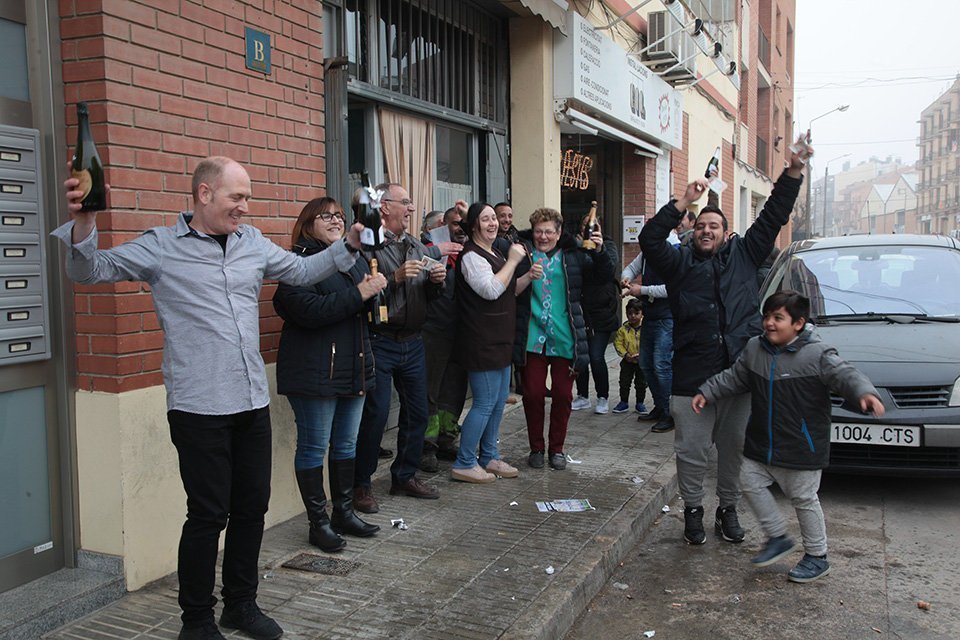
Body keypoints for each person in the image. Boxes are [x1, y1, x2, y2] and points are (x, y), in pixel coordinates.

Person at [52, 156, 364, 640]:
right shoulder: (161, 246)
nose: (245, 206)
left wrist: (347, 244)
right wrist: (85, 221)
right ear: (203, 194)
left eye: (248, 198)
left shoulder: (252, 243)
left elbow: (302, 273)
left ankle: (241, 605)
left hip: (250, 402)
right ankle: (196, 621)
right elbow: (90, 270)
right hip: (199, 407)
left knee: (251, 510)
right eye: (237, 197)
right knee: (207, 516)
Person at [638, 142, 808, 547]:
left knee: (733, 453)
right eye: (700, 227)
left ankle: (727, 510)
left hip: (739, 375)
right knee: (691, 452)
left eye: (714, 226)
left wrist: (794, 172)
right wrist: (682, 202)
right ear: (692, 232)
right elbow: (649, 239)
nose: (707, 231)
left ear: (726, 233)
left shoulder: (746, 255)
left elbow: (773, 215)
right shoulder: (678, 265)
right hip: (692, 375)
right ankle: (693, 512)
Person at [693, 291, 884, 582]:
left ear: (798, 323)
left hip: (801, 445)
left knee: (803, 499)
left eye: (778, 318)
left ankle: (817, 556)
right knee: (748, 480)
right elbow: (735, 377)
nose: (769, 323)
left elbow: (847, 375)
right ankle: (777, 537)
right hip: (763, 443)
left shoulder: (817, 355)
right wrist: (708, 391)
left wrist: (864, 393)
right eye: (767, 316)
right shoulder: (755, 348)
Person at [273, 197, 385, 554]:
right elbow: (308, 310)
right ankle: (317, 524)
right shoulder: (298, 263)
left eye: (339, 215)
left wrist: (374, 291)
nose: (336, 220)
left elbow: (358, 307)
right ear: (308, 223)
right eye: (326, 216)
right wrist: (360, 293)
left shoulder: (348, 261)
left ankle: (343, 512)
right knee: (314, 446)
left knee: (347, 445)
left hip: (353, 368)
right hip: (315, 372)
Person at [352, 182, 446, 514]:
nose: (410, 208)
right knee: (375, 416)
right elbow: (361, 293)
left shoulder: (416, 245)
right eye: (404, 202)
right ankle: (360, 485)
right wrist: (395, 276)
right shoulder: (367, 246)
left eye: (410, 202)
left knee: (418, 412)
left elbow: (427, 297)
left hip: (413, 341)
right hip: (379, 339)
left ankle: (404, 476)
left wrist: (437, 284)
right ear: (384, 207)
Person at [514, 207, 613, 470]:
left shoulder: (574, 254)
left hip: (565, 335)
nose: (543, 236)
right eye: (538, 231)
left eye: (548, 231)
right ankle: (536, 447)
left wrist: (600, 252)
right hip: (533, 336)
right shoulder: (522, 252)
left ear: (559, 233)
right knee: (533, 394)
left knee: (563, 396)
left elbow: (603, 277)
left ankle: (556, 449)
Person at [451, 202, 541, 483]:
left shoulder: (494, 252)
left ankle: (488, 455)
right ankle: (464, 461)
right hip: (482, 341)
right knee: (484, 402)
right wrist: (514, 262)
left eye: (494, 219)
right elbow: (490, 290)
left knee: (499, 401)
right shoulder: (471, 256)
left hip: (501, 339)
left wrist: (526, 276)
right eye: (486, 219)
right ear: (475, 225)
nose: (493, 223)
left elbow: (507, 289)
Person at [421, 204, 468, 472]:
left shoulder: (466, 254)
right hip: (432, 332)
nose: (459, 230)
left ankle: (447, 437)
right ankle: (426, 446)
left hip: (460, 332)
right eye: (452, 225)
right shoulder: (426, 253)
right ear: (434, 230)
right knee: (431, 391)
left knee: (454, 389)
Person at [621, 237, 676, 431]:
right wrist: (626, 278)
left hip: (667, 318)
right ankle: (660, 407)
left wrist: (641, 290)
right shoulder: (646, 254)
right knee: (646, 364)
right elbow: (630, 268)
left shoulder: (673, 254)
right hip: (651, 317)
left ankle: (671, 414)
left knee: (661, 364)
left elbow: (672, 288)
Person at [572, 226, 620, 415]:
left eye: (591, 226)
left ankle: (603, 397)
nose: (587, 230)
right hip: (581, 311)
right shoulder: (578, 247)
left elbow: (607, 271)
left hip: (602, 313)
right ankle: (582, 396)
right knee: (580, 356)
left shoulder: (607, 245)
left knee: (596, 356)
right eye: (584, 226)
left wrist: (599, 250)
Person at [612, 298, 648, 414]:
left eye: (636, 313)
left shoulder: (647, 329)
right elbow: (618, 343)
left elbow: (649, 343)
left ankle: (640, 403)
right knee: (624, 382)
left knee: (641, 383)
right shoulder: (623, 330)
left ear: (642, 314)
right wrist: (626, 355)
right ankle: (623, 402)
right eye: (629, 313)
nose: (633, 316)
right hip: (627, 361)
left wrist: (642, 354)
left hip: (641, 361)